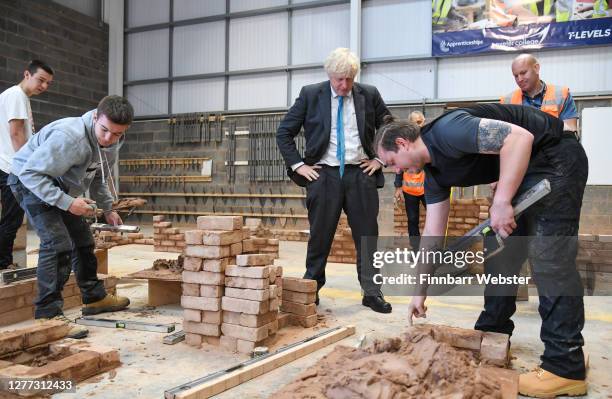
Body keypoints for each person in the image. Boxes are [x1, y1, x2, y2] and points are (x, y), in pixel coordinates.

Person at [374, 103, 588, 398]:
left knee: (549, 257)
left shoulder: (448, 130)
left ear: (401, 143)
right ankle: (493, 334)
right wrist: (418, 292)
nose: (395, 171)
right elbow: (432, 235)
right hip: (529, 167)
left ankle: (565, 366)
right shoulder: (434, 175)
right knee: (500, 252)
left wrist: (501, 201)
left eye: (392, 162)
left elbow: (519, 139)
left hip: (555, 156)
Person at [276, 48, 392, 313]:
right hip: (323, 174)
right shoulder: (310, 94)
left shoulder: (369, 94)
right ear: (329, 74)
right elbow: (284, 132)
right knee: (320, 235)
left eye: (350, 79)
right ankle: (312, 289)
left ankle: (372, 292)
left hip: (361, 173)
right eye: (340, 79)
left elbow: (389, 126)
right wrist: (298, 165)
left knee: (367, 237)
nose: (345, 85)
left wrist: (381, 160)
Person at [9, 95, 133, 338]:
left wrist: (108, 208)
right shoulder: (69, 137)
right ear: (95, 117)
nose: (109, 139)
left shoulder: (111, 141)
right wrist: (67, 203)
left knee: (83, 240)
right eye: (105, 130)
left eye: (117, 134)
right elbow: (30, 174)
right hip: (29, 182)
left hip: (59, 185)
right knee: (57, 245)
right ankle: (48, 314)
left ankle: (94, 297)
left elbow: (97, 175)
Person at [0, 60, 54, 270]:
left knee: (11, 220)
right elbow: (16, 133)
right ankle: (3, 265)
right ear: (26, 74)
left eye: (48, 83)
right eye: (41, 80)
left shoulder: (17, 97)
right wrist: (27, 167)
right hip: (9, 168)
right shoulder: (16, 95)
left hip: (8, 164)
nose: (44, 86)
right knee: (11, 220)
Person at [501, 53, 578, 133]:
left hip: (554, 145)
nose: (519, 79)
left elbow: (570, 131)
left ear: (536, 68)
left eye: (523, 73)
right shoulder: (506, 101)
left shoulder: (562, 94)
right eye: (516, 76)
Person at [393, 111, 426, 246]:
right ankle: (416, 251)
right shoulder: (404, 142)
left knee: (434, 219)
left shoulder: (428, 138)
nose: (418, 125)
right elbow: (399, 165)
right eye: (415, 122)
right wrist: (398, 186)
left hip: (428, 188)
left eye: (420, 122)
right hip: (410, 189)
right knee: (412, 220)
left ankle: (432, 250)